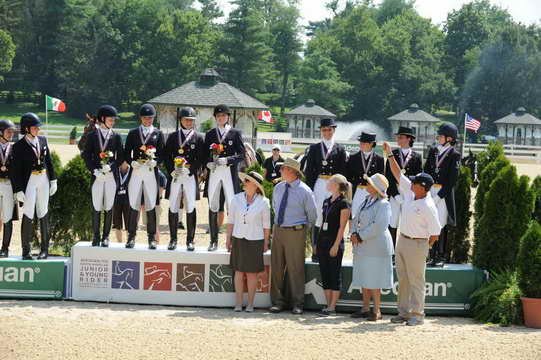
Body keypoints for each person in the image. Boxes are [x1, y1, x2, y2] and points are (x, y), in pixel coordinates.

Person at [384, 141, 441, 326]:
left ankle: (418, 314)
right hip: (403, 239)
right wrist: (390, 155)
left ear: (422, 187)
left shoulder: (428, 206)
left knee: (416, 280)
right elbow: (397, 173)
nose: (411, 182)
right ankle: (404, 313)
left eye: (415, 182)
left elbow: (435, 233)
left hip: (417, 243)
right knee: (404, 279)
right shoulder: (411, 192)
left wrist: (424, 246)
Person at [270, 158, 317, 315]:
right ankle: (277, 302)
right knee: (276, 267)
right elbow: (275, 207)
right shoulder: (278, 187)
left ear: (292, 171)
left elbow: (312, 215)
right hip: (279, 229)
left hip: (296, 231)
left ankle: (297, 303)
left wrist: (304, 231)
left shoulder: (305, 191)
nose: (280, 171)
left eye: (283, 168)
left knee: (295, 268)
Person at [11, 113, 57, 260]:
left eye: (38, 127)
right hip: (29, 181)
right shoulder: (18, 146)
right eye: (35, 127)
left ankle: (44, 250)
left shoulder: (43, 140)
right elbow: (15, 170)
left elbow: (49, 161)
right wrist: (18, 189)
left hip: (43, 178)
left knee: (43, 212)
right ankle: (26, 250)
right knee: (29, 213)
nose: (38, 130)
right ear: (26, 128)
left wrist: (53, 179)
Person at [350, 173, 394, 321]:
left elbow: (379, 226)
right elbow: (356, 218)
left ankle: (377, 310)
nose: (367, 185)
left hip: (377, 246)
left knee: (375, 279)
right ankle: (365, 308)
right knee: (364, 276)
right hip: (364, 246)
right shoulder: (366, 201)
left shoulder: (384, 204)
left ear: (376, 188)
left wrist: (360, 236)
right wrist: (353, 232)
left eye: (370, 183)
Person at [226, 171, 271, 312]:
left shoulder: (264, 202)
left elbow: (266, 225)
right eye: (245, 180)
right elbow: (231, 221)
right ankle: (238, 303)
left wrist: (265, 242)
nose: (244, 182)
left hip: (255, 240)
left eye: (247, 181)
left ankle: (250, 304)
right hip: (239, 238)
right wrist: (228, 239)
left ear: (255, 186)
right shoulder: (236, 199)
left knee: (252, 274)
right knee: (238, 272)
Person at [304, 118, 347, 263]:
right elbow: (309, 170)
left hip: (334, 184)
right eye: (324, 130)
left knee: (332, 215)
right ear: (321, 131)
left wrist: (340, 190)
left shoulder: (340, 149)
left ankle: (332, 247)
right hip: (319, 184)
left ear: (334, 130)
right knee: (318, 216)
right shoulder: (315, 148)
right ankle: (316, 250)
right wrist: (309, 189)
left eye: (329, 129)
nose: (327, 132)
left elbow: (342, 172)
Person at [123, 103, 165, 249]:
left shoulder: (158, 133)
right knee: (134, 203)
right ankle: (131, 237)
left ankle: (151, 238)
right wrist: (131, 162)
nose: (148, 120)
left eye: (150, 118)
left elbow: (162, 154)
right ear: (141, 118)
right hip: (136, 171)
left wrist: (156, 162)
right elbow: (126, 152)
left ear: (153, 118)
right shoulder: (133, 133)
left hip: (150, 172)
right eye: (145, 118)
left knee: (151, 205)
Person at [204, 104, 246, 251]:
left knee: (232, 205)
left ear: (228, 117)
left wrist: (227, 160)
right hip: (215, 172)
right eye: (218, 116)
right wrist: (207, 163)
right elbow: (204, 154)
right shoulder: (210, 134)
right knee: (213, 205)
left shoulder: (235, 133)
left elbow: (241, 155)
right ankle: (213, 241)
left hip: (229, 171)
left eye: (223, 116)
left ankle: (232, 241)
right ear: (215, 117)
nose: (221, 118)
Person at [164, 107, 205, 251]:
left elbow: (201, 158)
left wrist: (191, 169)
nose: (188, 122)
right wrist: (171, 170)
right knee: (173, 205)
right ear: (180, 120)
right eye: (186, 119)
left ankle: (190, 240)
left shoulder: (198, 137)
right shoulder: (173, 137)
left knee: (191, 206)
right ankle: (173, 239)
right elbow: (166, 156)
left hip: (189, 175)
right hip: (176, 175)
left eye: (191, 120)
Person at [82, 105, 124, 247]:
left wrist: (112, 167)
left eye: (113, 119)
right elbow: (86, 155)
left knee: (109, 205)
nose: (113, 121)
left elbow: (121, 156)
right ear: (102, 119)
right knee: (96, 205)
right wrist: (94, 170)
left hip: (111, 176)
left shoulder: (116, 136)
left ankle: (106, 237)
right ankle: (96, 236)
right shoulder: (93, 136)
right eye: (110, 119)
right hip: (97, 176)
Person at [423, 122, 461, 266]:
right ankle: (430, 254)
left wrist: (438, 197)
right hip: (431, 189)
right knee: (430, 223)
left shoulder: (454, 155)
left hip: (443, 194)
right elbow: (426, 170)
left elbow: (452, 180)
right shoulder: (434, 151)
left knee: (440, 223)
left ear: (449, 138)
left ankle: (441, 256)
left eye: (441, 136)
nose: (438, 137)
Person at [316, 174, 351, 316]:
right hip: (323, 241)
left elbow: (342, 227)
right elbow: (322, 222)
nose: (327, 183)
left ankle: (332, 306)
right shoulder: (326, 201)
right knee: (325, 273)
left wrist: (336, 245)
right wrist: (316, 242)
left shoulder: (344, 203)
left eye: (330, 181)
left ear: (336, 185)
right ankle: (327, 304)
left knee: (334, 274)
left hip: (334, 241)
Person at [384, 126, 422, 245]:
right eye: (398, 137)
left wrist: (412, 193)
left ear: (408, 139)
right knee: (392, 221)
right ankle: (391, 249)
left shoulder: (417, 156)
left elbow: (418, 176)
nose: (398, 139)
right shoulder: (393, 154)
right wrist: (395, 194)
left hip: (409, 192)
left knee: (408, 221)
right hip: (395, 191)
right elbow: (388, 176)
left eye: (401, 137)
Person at [346, 132, 385, 219]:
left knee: (369, 217)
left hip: (371, 192)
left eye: (364, 143)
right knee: (354, 215)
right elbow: (348, 176)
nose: (361, 144)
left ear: (371, 144)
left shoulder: (379, 159)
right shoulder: (353, 158)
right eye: (360, 142)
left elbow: (380, 179)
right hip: (357, 190)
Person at [0, 119, 17, 257]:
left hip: (9, 186)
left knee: (7, 217)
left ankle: (5, 248)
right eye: (8, 131)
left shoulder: (14, 148)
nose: (11, 134)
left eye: (12, 131)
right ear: (1, 132)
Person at [113, 162, 132, 243]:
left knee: (129, 224)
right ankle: (119, 243)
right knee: (117, 224)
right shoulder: (115, 170)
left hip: (128, 200)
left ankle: (129, 242)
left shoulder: (132, 170)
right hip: (116, 199)